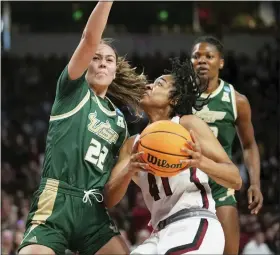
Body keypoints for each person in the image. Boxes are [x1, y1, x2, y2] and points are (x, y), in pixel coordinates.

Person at [18, 2, 147, 255]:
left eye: (109, 60)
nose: (101, 63)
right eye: (96, 58)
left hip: (94, 209)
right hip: (56, 201)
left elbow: (111, 196)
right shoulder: (72, 91)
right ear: (86, 63)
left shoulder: (120, 124)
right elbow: (89, 40)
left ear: (114, 71)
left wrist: (131, 168)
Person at [104, 58, 242, 254]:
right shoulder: (132, 145)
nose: (150, 85)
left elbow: (235, 179)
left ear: (174, 99)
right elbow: (108, 199)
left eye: (160, 83)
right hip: (159, 233)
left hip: (195, 223)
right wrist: (128, 170)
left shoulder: (187, 125)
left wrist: (201, 162)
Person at [190, 35, 263, 255]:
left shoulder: (237, 100)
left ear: (220, 62)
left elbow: (249, 145)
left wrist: (255, 183)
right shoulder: (179, 97)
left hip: (220, 184)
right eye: (196, 56)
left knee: (229, 250)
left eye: (209, 56)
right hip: (187, 183)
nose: (202, 61)